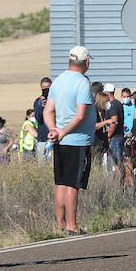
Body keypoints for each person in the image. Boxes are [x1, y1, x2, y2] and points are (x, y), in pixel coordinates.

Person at [45, 46, 95, 234]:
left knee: (62, 183)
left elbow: (48, 110)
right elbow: (80, 115)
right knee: (73, 184)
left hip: (60, 140)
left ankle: (60, 224)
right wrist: (64, 132)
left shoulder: (58, 82)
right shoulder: (82, 83)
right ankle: (72, 226)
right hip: (77, 140)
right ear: (87, 63)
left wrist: (54, 130)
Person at [32, 76, 53, 159]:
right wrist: (43, 105)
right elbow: (39, 119)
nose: (46, 89)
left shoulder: (57, 100)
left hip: (54, 137)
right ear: (41, 87)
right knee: (42, 163)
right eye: (44, 87)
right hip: (43, 137)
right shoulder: (38, 102)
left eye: (48, 87)